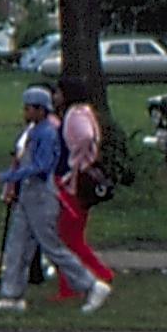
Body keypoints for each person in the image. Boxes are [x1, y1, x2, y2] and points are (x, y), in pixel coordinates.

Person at [0, 83, 109, 313]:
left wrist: (8, 177)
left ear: (41, 109)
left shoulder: (46, 133)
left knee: (52, 247)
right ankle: (11, 294)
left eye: (29, 108)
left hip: (41, 197)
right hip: (27, 195)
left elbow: (42, 167)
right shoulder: (35, 131)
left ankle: (91, 285)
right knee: (17, 245)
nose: (25, 113)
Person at [51, 75, 119, 304]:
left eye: (58, 92)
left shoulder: (74, 115)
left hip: (72, 183)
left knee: (68, 239)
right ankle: (75, 282)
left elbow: (86, 136)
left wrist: (77, 159)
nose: (55, 97)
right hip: (77, 182)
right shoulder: (86, 112)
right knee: (70, 237)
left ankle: (90, 278)